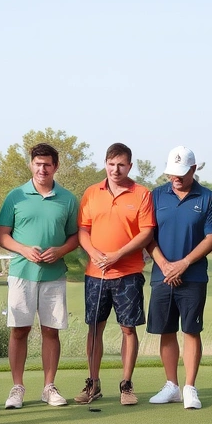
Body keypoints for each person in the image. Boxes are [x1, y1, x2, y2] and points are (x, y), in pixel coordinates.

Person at [0, 143, 81, 409]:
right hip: (22, 273)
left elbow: (75, 236)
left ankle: (48, 387)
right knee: (19, 330)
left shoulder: (67, 199)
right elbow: (2, 235)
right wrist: (23, 248)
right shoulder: (16, 196)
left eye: (47, 164)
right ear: (31, 165)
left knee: (50, 330)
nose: (42, 169)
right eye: (37, 164)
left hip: (54, 274)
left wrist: (60, 251)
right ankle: (17, 387)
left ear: (55, 166)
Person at [74, 143, 155, 406]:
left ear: (129, 166)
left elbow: (146, 233)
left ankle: (127, 384)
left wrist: (117, 254)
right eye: (111, 164)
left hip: (128, 273)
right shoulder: (91, 193)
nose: (115, 169)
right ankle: (93, 383)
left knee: (128, 329)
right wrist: (94, 253)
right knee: (94, 329)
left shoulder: (141, 194)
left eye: (121, 164)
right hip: (95, 274)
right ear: (105, 164)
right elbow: (83, 230)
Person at [145, 147, 212, 410]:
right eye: (171, 173)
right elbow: (148, 236)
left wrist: (184, 263)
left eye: (181, 173)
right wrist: (165, 265)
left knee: (190, 330)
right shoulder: (156, 195)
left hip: (194, 275)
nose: (175, 178)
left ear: (193, 169)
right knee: (166, 330)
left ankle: (189, 387)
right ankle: (172, 386)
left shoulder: (207, 198)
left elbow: (211, 237)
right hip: (161, 274)